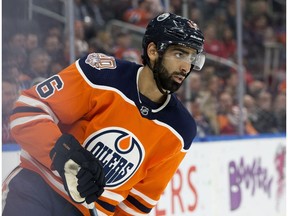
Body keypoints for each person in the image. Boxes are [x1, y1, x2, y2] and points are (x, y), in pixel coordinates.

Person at [2, 12, 205, 216]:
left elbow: (137, 204)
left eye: (191, 57)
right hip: (37, 190)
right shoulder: (100, 74)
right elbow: (26, 112)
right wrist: (63, 154)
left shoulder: (181, 129)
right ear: (153, 51)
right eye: (179, 54)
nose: (186, 67)